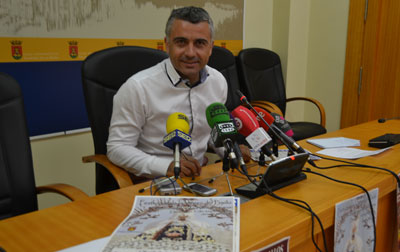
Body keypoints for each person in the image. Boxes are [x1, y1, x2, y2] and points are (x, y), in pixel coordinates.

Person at [107, 6, 249, 180]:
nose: (190, 53)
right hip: (153, 180)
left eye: (200, 43)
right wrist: (167, 166)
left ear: (210, 47)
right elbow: (117, 148)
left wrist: (230, 150)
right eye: (181, 42)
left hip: (199, 176)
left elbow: (211, 133)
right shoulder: (137, 87)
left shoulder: (217, 81)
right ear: (167, 44)